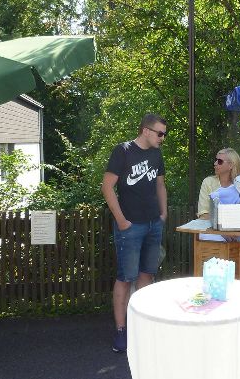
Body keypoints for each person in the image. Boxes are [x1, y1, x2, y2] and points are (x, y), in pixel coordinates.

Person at [101, 113, 168, 353]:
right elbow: (107, 186)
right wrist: (121, 221)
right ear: (146, 130)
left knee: (147, 275)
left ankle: (144, 328)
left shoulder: (156, 154)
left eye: (164, 134)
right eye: (160, 133)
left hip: (153, 224)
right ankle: (121, 331)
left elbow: (160, 184)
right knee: (125, 277)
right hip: (130, 227)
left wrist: (163, 214)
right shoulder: (123, 151)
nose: (162, 138)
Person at [196, 148, 240, 242]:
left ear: (230, 165)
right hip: (212, 228)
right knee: (210, 237)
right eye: (215, 160)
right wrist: (222, 231)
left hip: (236, 228)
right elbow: (204, 214)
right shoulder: (208, 182)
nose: (215, 163)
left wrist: (233, 230)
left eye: (219, 161)